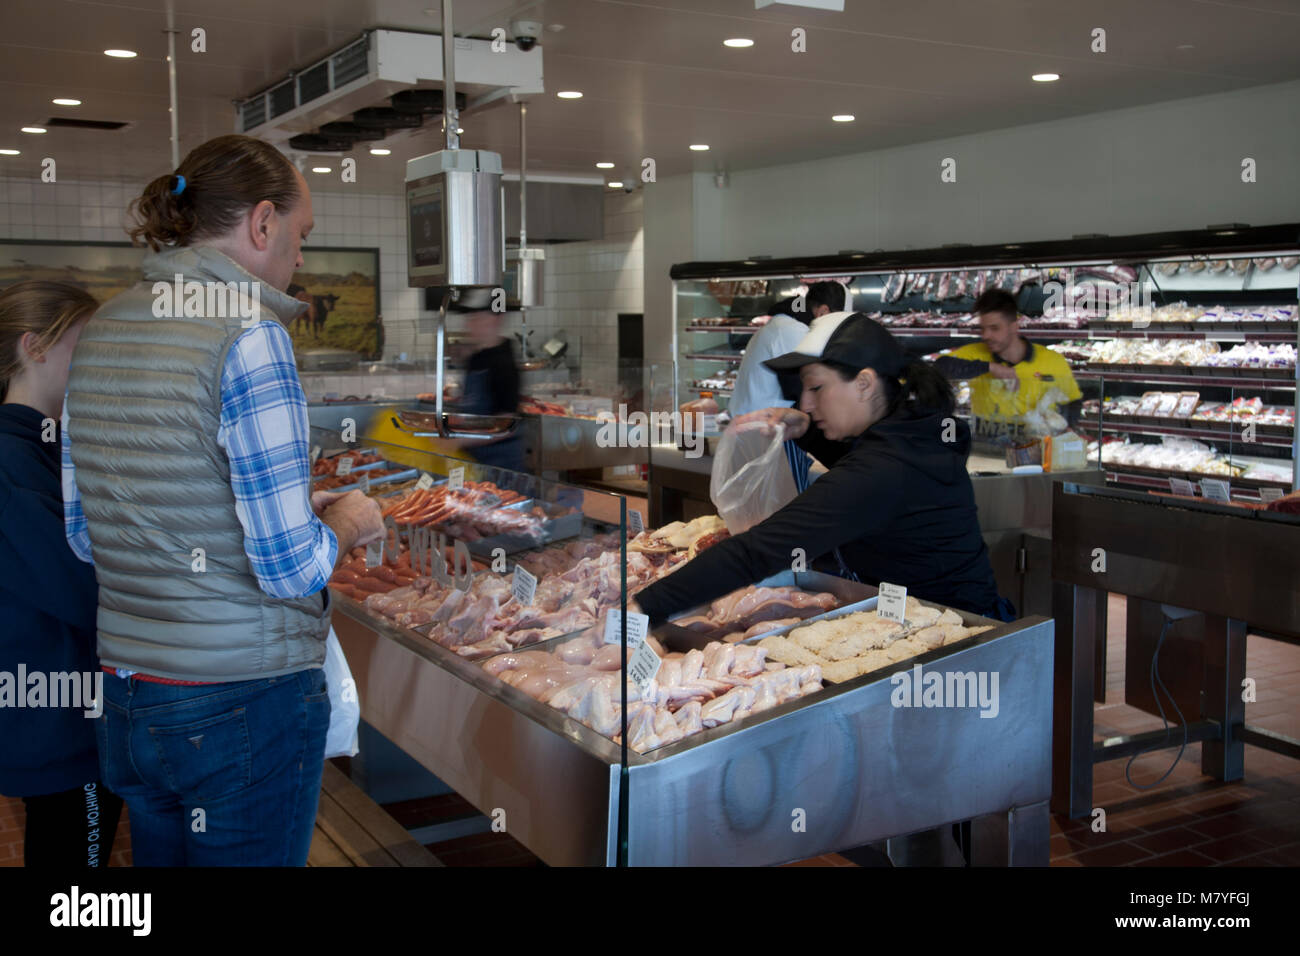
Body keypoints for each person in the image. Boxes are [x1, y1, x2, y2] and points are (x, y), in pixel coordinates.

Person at [63, 134, 386, 866]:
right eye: (301, 236)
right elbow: (289, 569)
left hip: (129, 695)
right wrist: (343, 520)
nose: (300, 258)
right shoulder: (249, 334)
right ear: (262, 222)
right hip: (242, 699)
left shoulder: (104, 328)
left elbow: (87, 532)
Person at [635, 311, 1011, 625]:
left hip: (956, 639)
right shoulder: (914, 433)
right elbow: (869, 472)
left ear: (864, 383)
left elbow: (757, 551)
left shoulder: (885, 469)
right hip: (947, 620)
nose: (806, 404)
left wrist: (642, 608)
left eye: (816, 388)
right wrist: (809, 435)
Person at [0, 280, 124, 867]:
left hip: (58, 719)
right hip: (58, 726)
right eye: (86, 345)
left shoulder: (43, 447)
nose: (97, 363)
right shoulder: (13, 463)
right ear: (35, 347)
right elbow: (83, 590)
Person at [730, 281, 847, 491]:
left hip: (754, 431)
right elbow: (799, 390)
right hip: (772, 433)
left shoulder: (779, 325)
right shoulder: (795, 331)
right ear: (823, 312)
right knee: (787, 504)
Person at [931, 289, 1082, 441]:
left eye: (994, 328)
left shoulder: (1052, 361)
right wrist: (990, 367)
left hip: (1037, 442)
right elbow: (940, 367)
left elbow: (1073, 401)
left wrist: (1067, 427)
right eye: (982, 329)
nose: (986, 336)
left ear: (1014, 327)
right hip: (987, 442)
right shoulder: (976, 353)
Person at [458, 306, 525, 475]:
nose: (469, 325)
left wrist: (458, 440)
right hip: (475, 460)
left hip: (500, 464)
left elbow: (506, 423)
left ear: (497, 319)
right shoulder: (476, 358)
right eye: (470, 318)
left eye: (477, 318)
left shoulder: (504, 363)